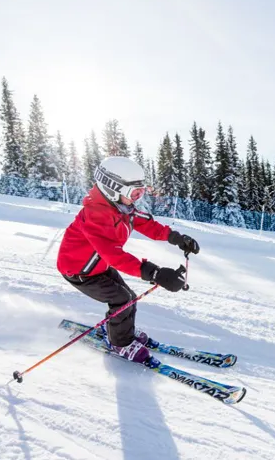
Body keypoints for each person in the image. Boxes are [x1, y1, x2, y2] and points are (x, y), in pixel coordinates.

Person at [57, 156, 200, 364]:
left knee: (129, 298)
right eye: (134, 193)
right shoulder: (95, 215)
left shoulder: (122, 207)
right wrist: (155, 273)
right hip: (80, 271)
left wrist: (176, 238)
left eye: (140, 192)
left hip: (98, 266)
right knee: (121, 299)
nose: (137, 198)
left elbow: (147, 225)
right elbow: (114, 255)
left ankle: (122, 332)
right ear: (112, 188)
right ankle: (120, 343)